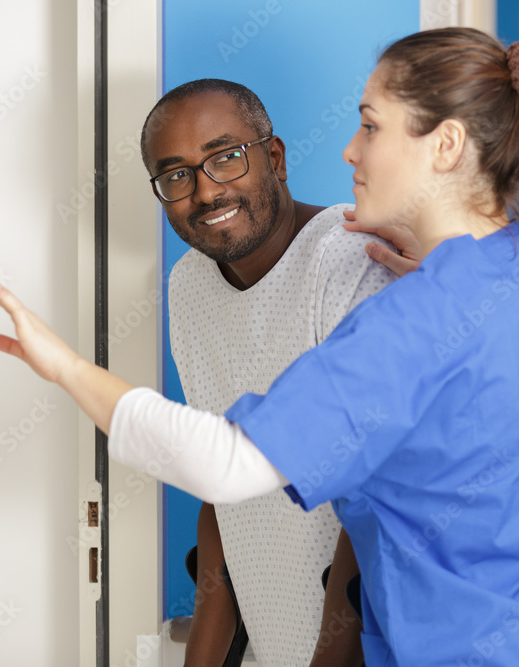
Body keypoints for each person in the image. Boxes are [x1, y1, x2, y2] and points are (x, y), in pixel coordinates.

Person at [0, 27, 519, 665]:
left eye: (371, 124)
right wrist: (452, 282)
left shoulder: (413, 320)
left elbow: (224, 463)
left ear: (445, 146)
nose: (351, 149)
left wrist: (65, 366)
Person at [140, 79, 402, 667]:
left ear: (275, 159)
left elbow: (373, 499)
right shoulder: (188, 287)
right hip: (273, 639)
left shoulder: (348, 263)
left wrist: (328, 657)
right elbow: (220, 479)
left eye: (225, 157)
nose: (205, 190)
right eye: (176, 174)